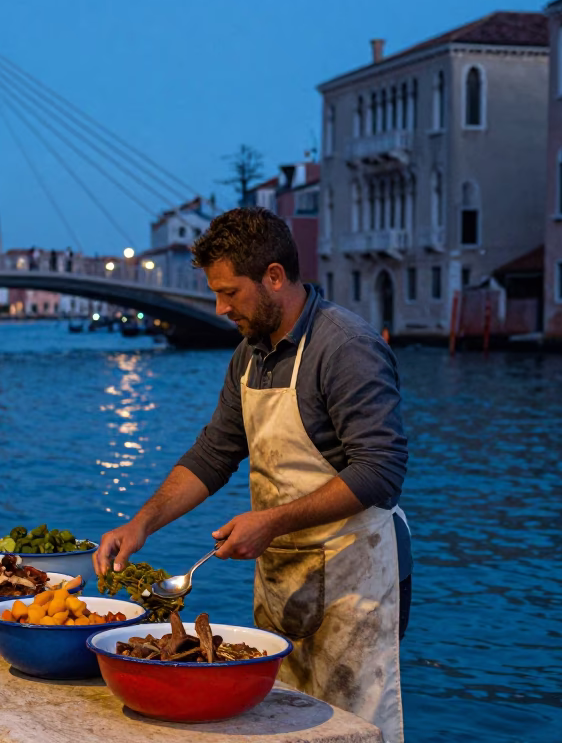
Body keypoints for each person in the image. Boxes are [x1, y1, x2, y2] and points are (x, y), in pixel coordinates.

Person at [95, 208, 410, 743]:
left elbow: (382, 471)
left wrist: (271, 522)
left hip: (356, 577)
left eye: (229, 293)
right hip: (282, 576)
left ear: (274, 276)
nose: (220, 308)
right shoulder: (249, 354)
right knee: (281, 725)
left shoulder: (345, 347)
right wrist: (142, 524)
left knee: (354, 728)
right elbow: (215, 452)